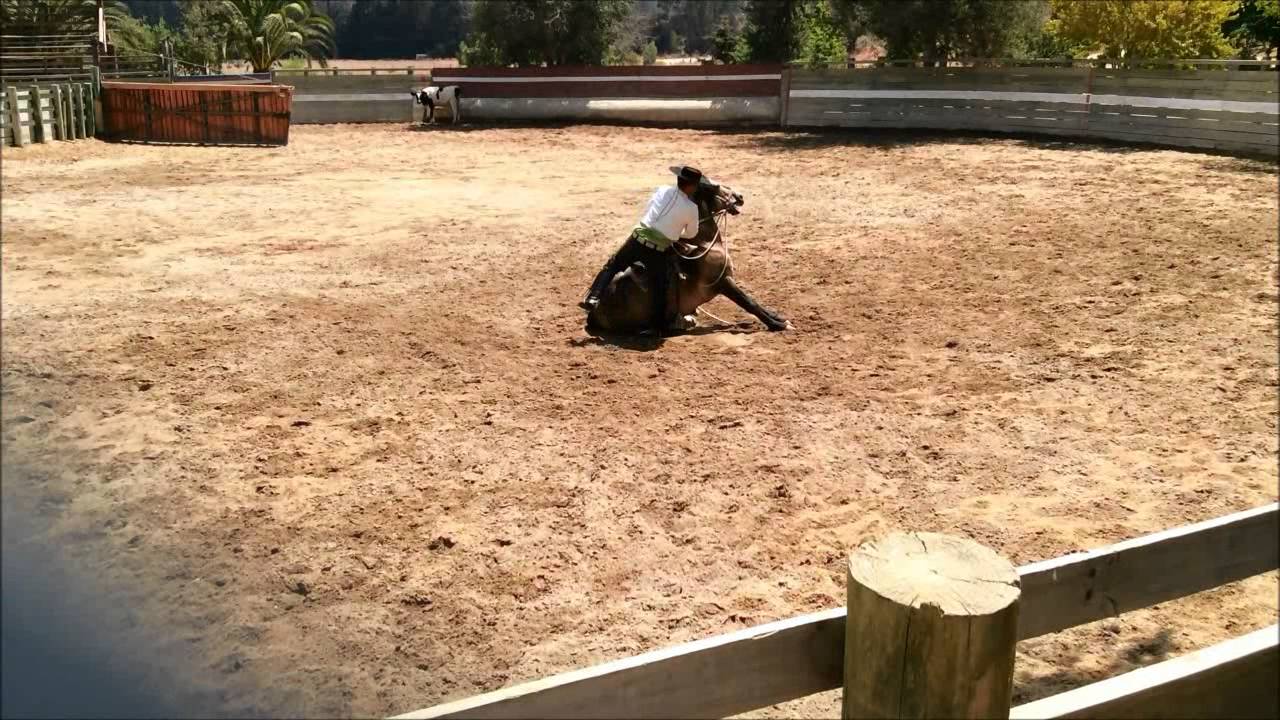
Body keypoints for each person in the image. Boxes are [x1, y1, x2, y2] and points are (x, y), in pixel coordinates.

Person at [581, 165, 704, 334]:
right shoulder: (691, 208)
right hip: (657, 250)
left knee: (613, 265)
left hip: (636, 240)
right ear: (692, 186)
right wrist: (675, 232)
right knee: (660, 285)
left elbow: (649, 207)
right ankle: (657, 327)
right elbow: (691, 234)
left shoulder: (662, 190)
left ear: (678, 180)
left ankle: (593, 297)